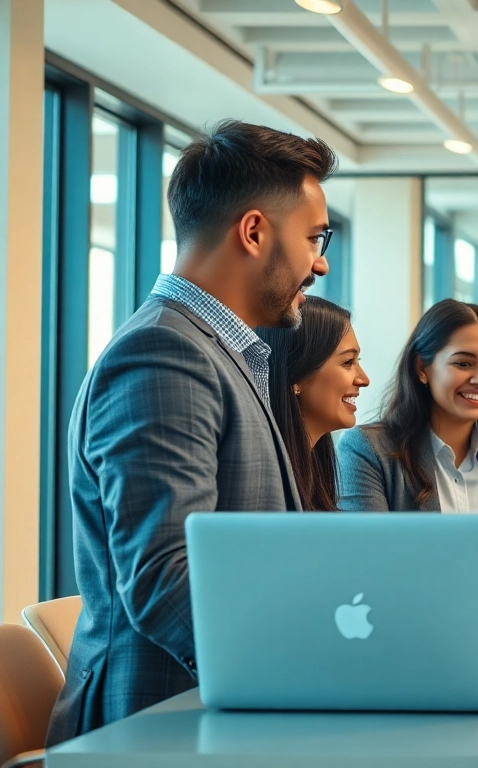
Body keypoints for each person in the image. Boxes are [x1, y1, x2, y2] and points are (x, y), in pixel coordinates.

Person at [48, 121, 336, 743]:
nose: (321, 261)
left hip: (222, 709)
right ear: (254, 231)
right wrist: (332, 665)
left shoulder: (222, 350)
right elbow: (167, 577)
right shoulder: (163, 352)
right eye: (314, 237)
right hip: (161, 722)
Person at [336, 298, 478, 616]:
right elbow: (370, 572)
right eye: (463, 363)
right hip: (415, 642)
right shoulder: (367, 449)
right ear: (422, 368)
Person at [256, 297, 369, 511]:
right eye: (347, 362)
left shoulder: (313, 475)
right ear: (296, 376)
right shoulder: (265, 479)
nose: (364, 379)